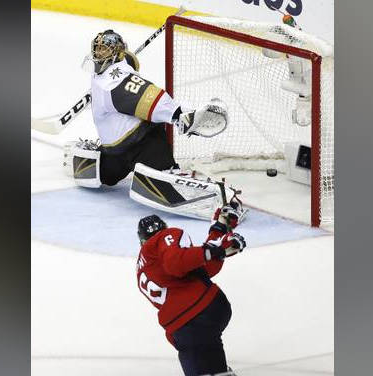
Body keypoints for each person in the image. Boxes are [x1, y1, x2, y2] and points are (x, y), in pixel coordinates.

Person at [65, 29, 228, 188]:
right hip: (115, 152)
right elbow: (131, 64)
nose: (99, 54)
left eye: (105, 50)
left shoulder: (112, 82)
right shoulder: (110, 79)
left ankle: (167, 171)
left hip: (143, 144)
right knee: (104, 177)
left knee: (161, 182)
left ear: (117, 54)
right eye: (98, 49)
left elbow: (148, 97)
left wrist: (179, 115)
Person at [135, 203, 246, 376]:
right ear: (164, 228)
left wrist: (217, 235)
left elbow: (189, 263)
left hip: (186, 326)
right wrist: (216, 246)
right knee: (216, 368)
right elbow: (193, 264)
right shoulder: (166, 237)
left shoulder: (144, 267)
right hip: (204, 312)